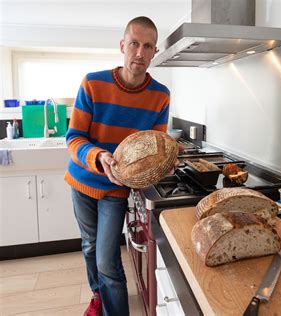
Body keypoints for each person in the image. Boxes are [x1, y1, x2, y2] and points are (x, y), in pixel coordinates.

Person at [64, 16, 169, 316]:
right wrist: (100, 156)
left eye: (147, 46)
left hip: (116, 189)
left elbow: (157, 146)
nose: (140, 52)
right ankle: (99, 298)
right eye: (134, 43)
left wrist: (165, 163)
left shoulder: (160, 96)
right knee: (89, 246)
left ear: (154, 52)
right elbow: (73, 138)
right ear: (123, 45)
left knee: (106, 260)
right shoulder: (93, 83)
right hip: (83, 180)